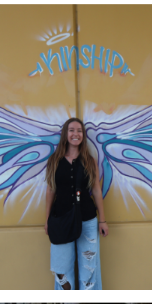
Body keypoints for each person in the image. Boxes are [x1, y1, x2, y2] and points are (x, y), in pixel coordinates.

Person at [45, 116, 108, 291]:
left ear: (83, 136)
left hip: (87, 220)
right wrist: (47, 220)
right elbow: (50, 191)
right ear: (65, 134)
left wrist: (102, 220)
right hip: (61, 220)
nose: (76, 134)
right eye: (72, 130)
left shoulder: (89, 161)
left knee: (89, 268)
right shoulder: (54, 161)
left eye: (79, 131)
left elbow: (96, 190)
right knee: (62, 270)